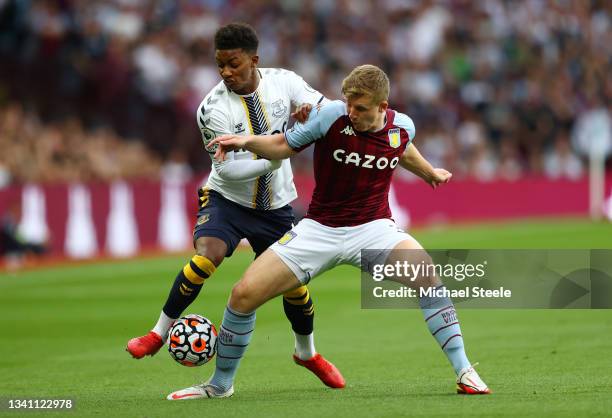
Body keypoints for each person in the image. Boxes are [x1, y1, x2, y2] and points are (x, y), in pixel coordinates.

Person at [167, 64, 491, 399]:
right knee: (242, 295)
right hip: (318, 230)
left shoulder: (402, 126)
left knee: (427, 275)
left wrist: (428, 172)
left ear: (382, 107)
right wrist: (246, 141)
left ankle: (465, 371)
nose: (352, 112)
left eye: (361, 108)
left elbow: (401, 147)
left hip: (374, 229)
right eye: (349, 104)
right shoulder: (331, 116)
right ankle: (220, 385)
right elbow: (282, 146)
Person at [126, 22, 344, 392]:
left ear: (254, 60)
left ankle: (306, 353)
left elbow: (330, 110)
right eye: (220, 65)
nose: (225, 72)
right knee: (207, 256)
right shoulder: (212, 109)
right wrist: (277, 154)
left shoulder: (285, 82)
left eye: (234, 64)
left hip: (275, 205)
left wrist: (311, 110)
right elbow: (230, 170)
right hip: (227, 198)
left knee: (293, 286)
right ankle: (157, 332)